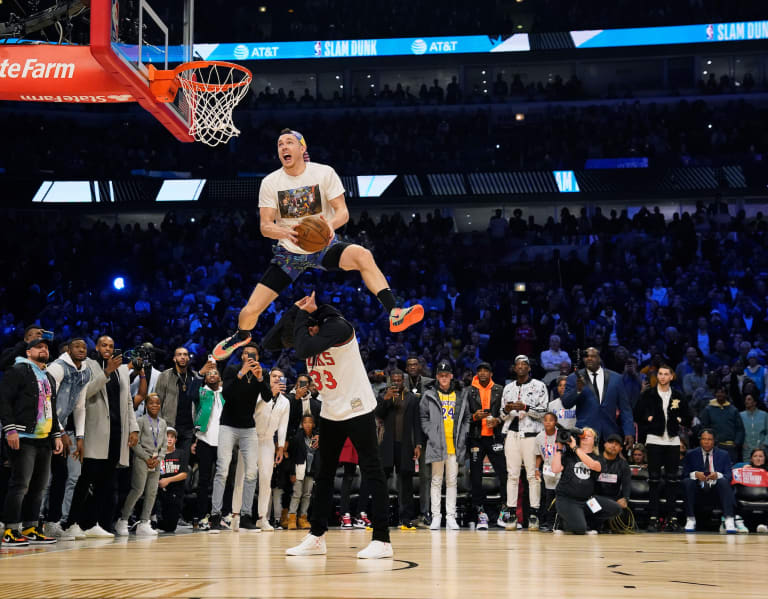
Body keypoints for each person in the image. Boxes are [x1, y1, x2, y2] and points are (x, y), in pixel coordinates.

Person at [211, 129, 424, 361]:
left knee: (363, 255)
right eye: (280, 144)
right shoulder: (270, 182)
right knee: (249, 312)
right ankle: (241, 335)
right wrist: (285, 231)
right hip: (289, 254)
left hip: (324, 247)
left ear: (303, 148)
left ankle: (394, 311)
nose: (283, 147)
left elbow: (342, 212)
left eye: (289, 142)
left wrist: (330, 225)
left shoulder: (324, 173)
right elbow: (265, 226)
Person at [271, 292, 392, 559]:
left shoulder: (339, 326)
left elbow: (301, 348)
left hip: (357, 406)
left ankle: (382, 539)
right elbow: (272, 342)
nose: (306, 333)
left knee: (372, 470)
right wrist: (295, 309)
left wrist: (305, 315)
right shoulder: (310, 335)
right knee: (322, 475)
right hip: (331, 409)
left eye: (309, 327)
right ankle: (317, 536)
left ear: (317, 322)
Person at [66, 336, 139, 539]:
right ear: (96, 348)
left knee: (106, 482)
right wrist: (106, 372)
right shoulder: (88, 366)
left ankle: (92, 523)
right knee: (86, 479)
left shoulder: (121, 370)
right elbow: (84, 393)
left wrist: (133, 428)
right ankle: (71, 523)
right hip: (95, 431)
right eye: (104, 345)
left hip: (117, 433)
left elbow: (128, 403)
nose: (108, 349)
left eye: (111, 346)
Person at [0, 337, 63, 546]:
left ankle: (30, 526)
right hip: (23, 436)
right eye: (39, 347)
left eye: (46, 347)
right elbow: (4, 400)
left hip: (43, 438)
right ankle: (10, 529)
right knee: (20, 485)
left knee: (39, 486)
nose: (44, 349)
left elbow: (50, 408)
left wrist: (55, 434)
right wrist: (9, 430)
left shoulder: (46, 376)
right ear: (28, 352)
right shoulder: (18, 370)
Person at [209, 343, 272, 533]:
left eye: (253, 354)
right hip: (228, 425)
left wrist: (261, 378)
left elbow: (268, 398)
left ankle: (245, 516)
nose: (249, 356)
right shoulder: (231, 369)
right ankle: (215, 516)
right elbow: (226, 393)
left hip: (248, 428)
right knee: (222, 470)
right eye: (246, 353)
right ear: (242, 356)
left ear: (258, 357)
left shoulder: (262, 373)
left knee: (252, 472)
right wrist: (241, 373)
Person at [43, 337, 91, 540]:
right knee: (44, 478)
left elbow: (80, 406)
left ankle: (53, 522)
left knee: (61, 476)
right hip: (44, 426)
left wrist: (80, 436)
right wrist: (60, 430)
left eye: (84, 347)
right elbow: (47, 400)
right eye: (76, 347)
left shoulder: (86, 370)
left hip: (60, 428)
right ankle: (32, 521)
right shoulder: (57, 368)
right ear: (68, 350)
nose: (81, 350)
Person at [634, 364, 691, 532]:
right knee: (654, 479)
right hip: (654, 439)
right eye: (660, 374)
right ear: (657, 376)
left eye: (666, 374)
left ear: (672, 376)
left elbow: (688, 416)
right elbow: (637, 414)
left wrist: (680, 420)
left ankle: (672, 518)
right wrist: (648, 419)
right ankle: (653, 518)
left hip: (672, 440)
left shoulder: (678, 395)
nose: (663, 376)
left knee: (672, 480)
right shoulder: (649, 394)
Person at [232, 367, 290, 531]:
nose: (277, 379)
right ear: (268, 378)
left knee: (266, 479)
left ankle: (262, 517)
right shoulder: (258, 393)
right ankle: (236, 516)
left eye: (280, 377)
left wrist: (280, 446)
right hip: (250, 437)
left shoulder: (285, 402)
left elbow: (283, 426)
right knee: (242, 477)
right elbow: (252, 411)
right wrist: (269, 394)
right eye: (274, 376)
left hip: (267, 442)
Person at [499, 355, 548, 531]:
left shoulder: (539, 386)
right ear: (514, 368)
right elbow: (502, 415)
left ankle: (534, 513)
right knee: (512, 475)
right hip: (511, 434)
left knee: (532, 475)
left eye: (524, 364)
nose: (520, 367)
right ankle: (511, 513)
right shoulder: (508, 388)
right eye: (517, 364)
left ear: (529, 368)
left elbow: (543, 412)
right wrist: (507, 409)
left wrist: (525, 408)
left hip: (532, 435)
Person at [420, 361, 469, 530]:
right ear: (436, 377)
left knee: (452, 482)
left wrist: (463, 435)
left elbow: (467, 418)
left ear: (451, 376)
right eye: (441, 375)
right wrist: (431, 433)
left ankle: (450, 517)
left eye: (446, 375)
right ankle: (436, 516)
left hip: (454, 445)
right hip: (436, 444)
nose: (443, 378)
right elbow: (423, 418)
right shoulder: (429, 394)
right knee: (436, 481)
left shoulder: (460, 395)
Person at [375, 369, 422, 529]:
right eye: (394, 380)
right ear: (390, 381)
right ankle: (381, 517)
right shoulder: (383, 396)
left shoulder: (412, 399)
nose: (396, 382)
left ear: (404, 381)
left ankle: (405, 518)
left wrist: (418, 444)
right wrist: (386, 399)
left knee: (406, 483)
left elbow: (417, 423)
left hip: (405, 445)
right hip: (387, 445)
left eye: (399, 380)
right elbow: (378, 414)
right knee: (382, 482)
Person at [551, 427, 621, 534]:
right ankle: (562, 521)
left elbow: (593, 465)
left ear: (595, 441)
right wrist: (559, 449)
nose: (585, 437)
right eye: (583, 435)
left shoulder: (598, 458)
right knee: (580, 529)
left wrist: (575, 448)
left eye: (589, 436)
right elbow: (555, 469)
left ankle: (586, 521)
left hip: (587, 501)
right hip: (567, 499)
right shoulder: (569, 455)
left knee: (615, 508)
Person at [116, 393, 167, 537]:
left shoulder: (163, 423)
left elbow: (163, 444)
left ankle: (145, 522)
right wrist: (146, 457)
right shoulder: (140, 421)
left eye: (157, 403)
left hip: (156, 460)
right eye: (151, 403)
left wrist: (160, 457)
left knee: (152, 492)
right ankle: (123, 520)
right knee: (137, 490)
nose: (155, 405)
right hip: (142, 459)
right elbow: (134, 443)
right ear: (146, 405)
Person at [562, 347, 634, 449]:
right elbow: (566, 403)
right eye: (586, 356)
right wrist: (577, 390)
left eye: (593, 356)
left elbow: (625, 408)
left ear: (599, 358)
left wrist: (629, 431)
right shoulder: (574, 378)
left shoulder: (616, 378)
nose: (589, 359)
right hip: (585, 435)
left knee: (610, 465)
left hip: (610, 434)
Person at [465, 361, 507, 529]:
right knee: (476, 476)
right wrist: (475, 417)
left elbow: (506, 412)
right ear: (477, 373)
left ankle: (505, 511)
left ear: (491, 374)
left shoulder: (500, 389)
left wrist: (497, 420)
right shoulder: (469, 390)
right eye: (480, 371)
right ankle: (480, 512)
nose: (482, 373)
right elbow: (464, 416)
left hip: (494, 437)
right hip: (476, 437)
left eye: (486, 370)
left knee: (504, 473)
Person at [154, 347, 211, 457]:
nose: (182, 357)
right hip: (169, 426)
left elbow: (200, 402)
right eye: (179, 355)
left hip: (189, 429)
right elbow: (157, 402)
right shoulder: (164, 376)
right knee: (167, 463)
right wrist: (160, 426)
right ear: (174, 358)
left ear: (188, 358)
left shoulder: (195, 377)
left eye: (185, 355)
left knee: (183, 462)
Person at [682, 429, 736, 533]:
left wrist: (717, 475)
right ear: (700, 440)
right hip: (698, 488)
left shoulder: (723, 454)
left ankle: (729, 519)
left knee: (723, 481)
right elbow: (684, 474)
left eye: (709, 439)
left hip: (716, 489)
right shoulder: (691, 454)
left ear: (714, 441)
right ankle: (690, 518)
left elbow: (729, 475)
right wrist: (695, 474)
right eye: (704, 439)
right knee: (688, 481)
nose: (706, 442)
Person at [191, 368, 224, 530]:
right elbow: (190, 394)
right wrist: (199, 374)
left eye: (215, 373)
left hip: (224, 441)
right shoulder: (201, 391)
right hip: (204, 440)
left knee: (223, 480)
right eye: (209, 374)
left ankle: (220, 515)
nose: (212, 375)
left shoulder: (225, 392)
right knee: (203, 481)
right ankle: (200, 515)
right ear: (205, 378)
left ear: (220, 377)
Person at [405, 356, 434, 528]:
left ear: (420, 366)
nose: (413, 367)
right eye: (410, 365)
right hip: (406, 436)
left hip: (425, 437)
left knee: (425, 477)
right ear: (406, 368)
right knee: (405, 476)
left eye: (415, 364)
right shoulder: (399, 382)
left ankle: (425, 513)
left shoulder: (430, 383)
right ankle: (406, 515)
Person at [287, 414, 319, 530]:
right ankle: (291, 517)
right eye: (305, 422)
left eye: (310, 422)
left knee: (307, 495)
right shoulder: (297, 438)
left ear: (313, 424)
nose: (307, 424)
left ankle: (303, 518)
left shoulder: (317, 438)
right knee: (296, 494)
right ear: (302, 424)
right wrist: (292, 473)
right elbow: (292, 457)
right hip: (299, 469)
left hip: (311, 470)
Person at [700, 385, 745, 464]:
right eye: (718, 392)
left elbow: (740, 429)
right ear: (715, 394)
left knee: (731, 468)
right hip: (714, 447)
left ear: (726, 395)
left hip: (730, 446)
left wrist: (736, 443)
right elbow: (704, 428)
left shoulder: (733, 410)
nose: (720, 394)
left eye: (722, 392)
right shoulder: (708, 409)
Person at [155, 427, 189, 533]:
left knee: (170, 527)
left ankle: (156, 524)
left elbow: (184, 474)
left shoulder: (181, 453)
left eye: (172, 437)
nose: (169, 439)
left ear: (175, 440)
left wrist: (168, 480)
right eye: (167, 436)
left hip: (175, 492)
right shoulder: (157, 454)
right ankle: (149, 521)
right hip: (159, 491)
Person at [594, 434, 632, 519]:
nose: (613, 445)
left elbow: (627, 484)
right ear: (605, 444)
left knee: (624, 512)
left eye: (617, 444)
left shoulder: (623, 464)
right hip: (595, 498)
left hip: (613, 499)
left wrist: (626, 498)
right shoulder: (594, 460)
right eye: (611, 442)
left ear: (620, 449)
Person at [535, 412, 560, 532]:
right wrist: (536, 469)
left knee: (560, 496)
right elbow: (539, 455)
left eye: (551, 420)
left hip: (561, 470)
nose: (548, 422)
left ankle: (560, 522)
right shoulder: (539, 437)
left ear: (556, 422)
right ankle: (549, 523)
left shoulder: (561, 434)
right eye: (545, 420)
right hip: (547, 470)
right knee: (548, 497)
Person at [740, 394, 767, 462]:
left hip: (762, 448)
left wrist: (764, 444)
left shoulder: (764, 415)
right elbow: (739, 431)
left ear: (755, 402)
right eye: (745, 400)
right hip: (747, 448)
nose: (746, 401)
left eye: (749, 399)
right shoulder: (740, 415)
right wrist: (742, 443)